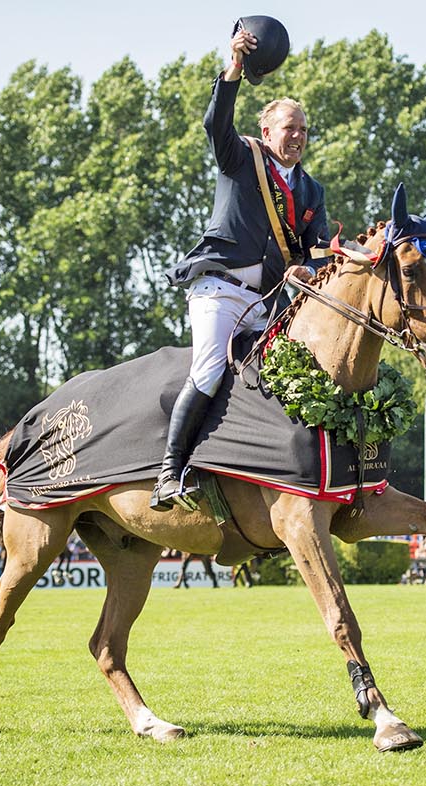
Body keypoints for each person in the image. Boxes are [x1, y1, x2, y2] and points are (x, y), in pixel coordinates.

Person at [151, 19, 328, 512]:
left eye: (304, 131)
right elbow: (215, 123)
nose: (298, 137)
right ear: (267, 130)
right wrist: (233, 67)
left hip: (266, 303)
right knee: (208, 371)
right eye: (289, 128)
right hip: (220, 291)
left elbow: (314, 253)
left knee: (287, 375)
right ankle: (169, 472)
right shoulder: (240, 156)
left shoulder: (312, 191)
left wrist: (308, 271)